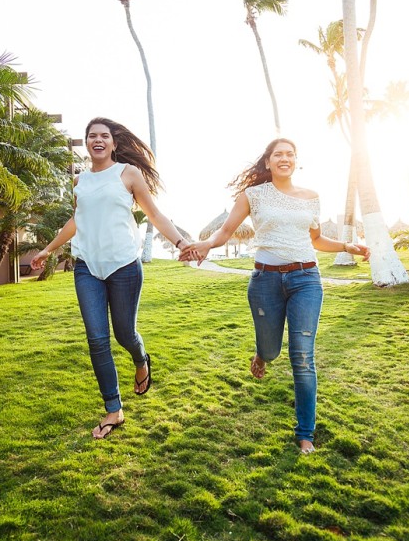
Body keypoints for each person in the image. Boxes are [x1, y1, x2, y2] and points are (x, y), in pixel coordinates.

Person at [181, 138, 369, 454]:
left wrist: (346, 246)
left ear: (296, 161)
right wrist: (205, 245)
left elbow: (317, 239)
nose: (284, 158)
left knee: (303, 357)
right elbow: (223, 233)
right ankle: (262, 355)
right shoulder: (252, 195)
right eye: (277, 154)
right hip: (265, 281)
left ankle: (305, 433)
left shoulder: (311, 198)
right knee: (270, 350)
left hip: (306, 279)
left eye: (290, 154)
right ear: (267, 162)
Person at [30, 117, 193, 439]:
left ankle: (141, 358)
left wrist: (181, 242)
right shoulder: (80, 182)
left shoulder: (128, 174)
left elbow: (154, 214)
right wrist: (48, 249)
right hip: (87, 266)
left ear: (114, 143)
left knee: (124, 334)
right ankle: (113, 409)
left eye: (104, 135)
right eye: (92, 136)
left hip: (123, 266)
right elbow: (76, 219)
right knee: (96, 339)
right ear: (87, 143)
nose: (98, 140)